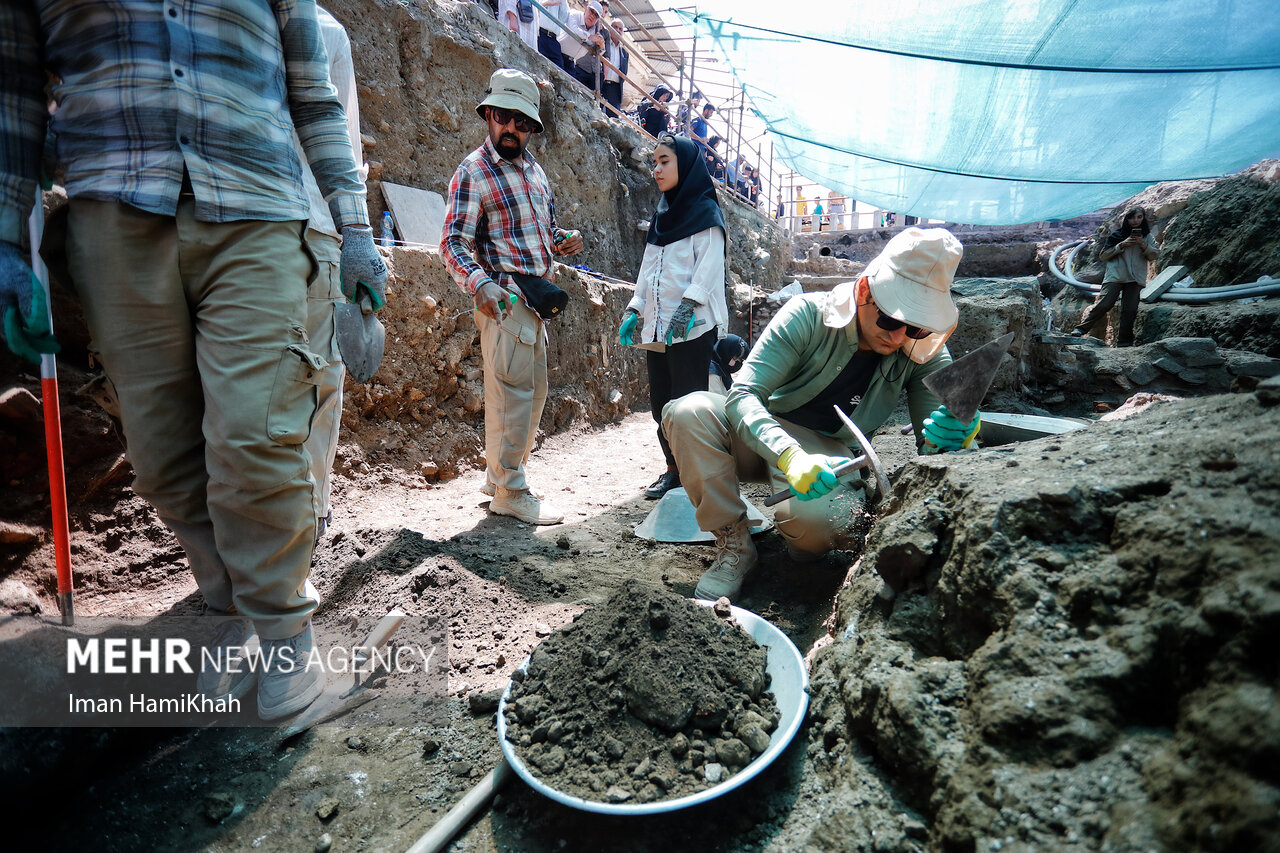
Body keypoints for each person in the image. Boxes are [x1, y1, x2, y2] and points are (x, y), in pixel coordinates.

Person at [0, 0, 387, 720]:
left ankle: (286, 652)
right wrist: (5, 241)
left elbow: (315, 93)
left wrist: (354, 225)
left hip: (260, 203)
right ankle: (236, 605)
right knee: (164, 458)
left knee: (257, 432)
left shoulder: (320, 26)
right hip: (114, 205)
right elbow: (14, 91)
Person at [662, 228, 979, 600]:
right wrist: (790, 455)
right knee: (688, 412)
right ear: (864, 292)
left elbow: (941, 457)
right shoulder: (807, 314)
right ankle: (736, 545)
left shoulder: (923, 352)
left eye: (916, 326)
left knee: (816, 528)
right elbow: (743, 395)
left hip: (831, 453)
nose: (898, 338)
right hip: (763, 430)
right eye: (891, 320)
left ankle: (803, 535)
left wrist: (962, 436)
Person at [441, 68, 584, 525]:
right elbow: (452, 242)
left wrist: (561, 239)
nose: (511, 128)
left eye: (522, 122)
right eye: (504, 117)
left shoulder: (536, 173)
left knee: (531, 394)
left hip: (535, 303)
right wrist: (479, 282)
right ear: (488, 114)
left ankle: (496, 477)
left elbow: (538, 229)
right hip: (504, 299)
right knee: (513, 396)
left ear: (532, 128)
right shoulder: (473, 171)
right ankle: (510, 490)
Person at [618, 134, 728, 501]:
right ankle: (673, 470)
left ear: (685, 164)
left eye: (665, 160)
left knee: (690, 403)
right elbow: (649, 266)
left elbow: (709, 268)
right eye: (654, 162)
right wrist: (636, 306)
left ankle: (699, 473)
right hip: (659, 326)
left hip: (692, 328)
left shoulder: (706, 213)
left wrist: (688, 306)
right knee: (662, 402)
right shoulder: (662, 218)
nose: (657, 169)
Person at [297, 7, 367, 541]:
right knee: (318, 377)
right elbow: (344, 138)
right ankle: (308, 512)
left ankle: (310, 512)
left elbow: (341, 135)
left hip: (315, 229)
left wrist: (358, 235)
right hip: (307, 229)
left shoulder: (325, 30)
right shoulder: (325, 30)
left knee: (319, 375)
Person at [1070, 206, 1159, 347]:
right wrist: (1121, 245)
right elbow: (1103, 256)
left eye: (1139, 217)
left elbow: (1154, 255)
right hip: (1115, 276)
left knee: (1130, 310)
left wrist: (1142, 244)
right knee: (1105, 303)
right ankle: (1080, 329)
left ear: (1143, 218)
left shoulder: (1148, 237)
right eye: (1132, 217)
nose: (1135, 221)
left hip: (1135, 278)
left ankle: (1124, 343)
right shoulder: (1116, 236)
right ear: (1127, 219)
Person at [561, 1, 607, 91]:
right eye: (591, 11)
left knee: (568, 90)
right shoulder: (575, 14)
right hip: (559, 53)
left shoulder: (595, 31)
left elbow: (596, 53)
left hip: (571, 61)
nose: (592, 16)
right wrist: (590, 37)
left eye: (596, 15)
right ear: (586, 9)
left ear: (598, 19)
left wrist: (602, 45)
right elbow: (573, 29)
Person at [601, 19, 629, 113]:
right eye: (615, 27)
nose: (618, 30)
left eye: (620, 29)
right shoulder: (603, 43)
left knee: (613, 118)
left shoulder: (624, 53)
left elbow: (624, 72)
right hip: (601, 84)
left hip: (615, 89)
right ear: (609, 29)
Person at [537, 0, 571, 68]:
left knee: (559, 68)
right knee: (537, 63)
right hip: (540, 34)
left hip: (553, 39)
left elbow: (564, 18)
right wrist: (546, 3)